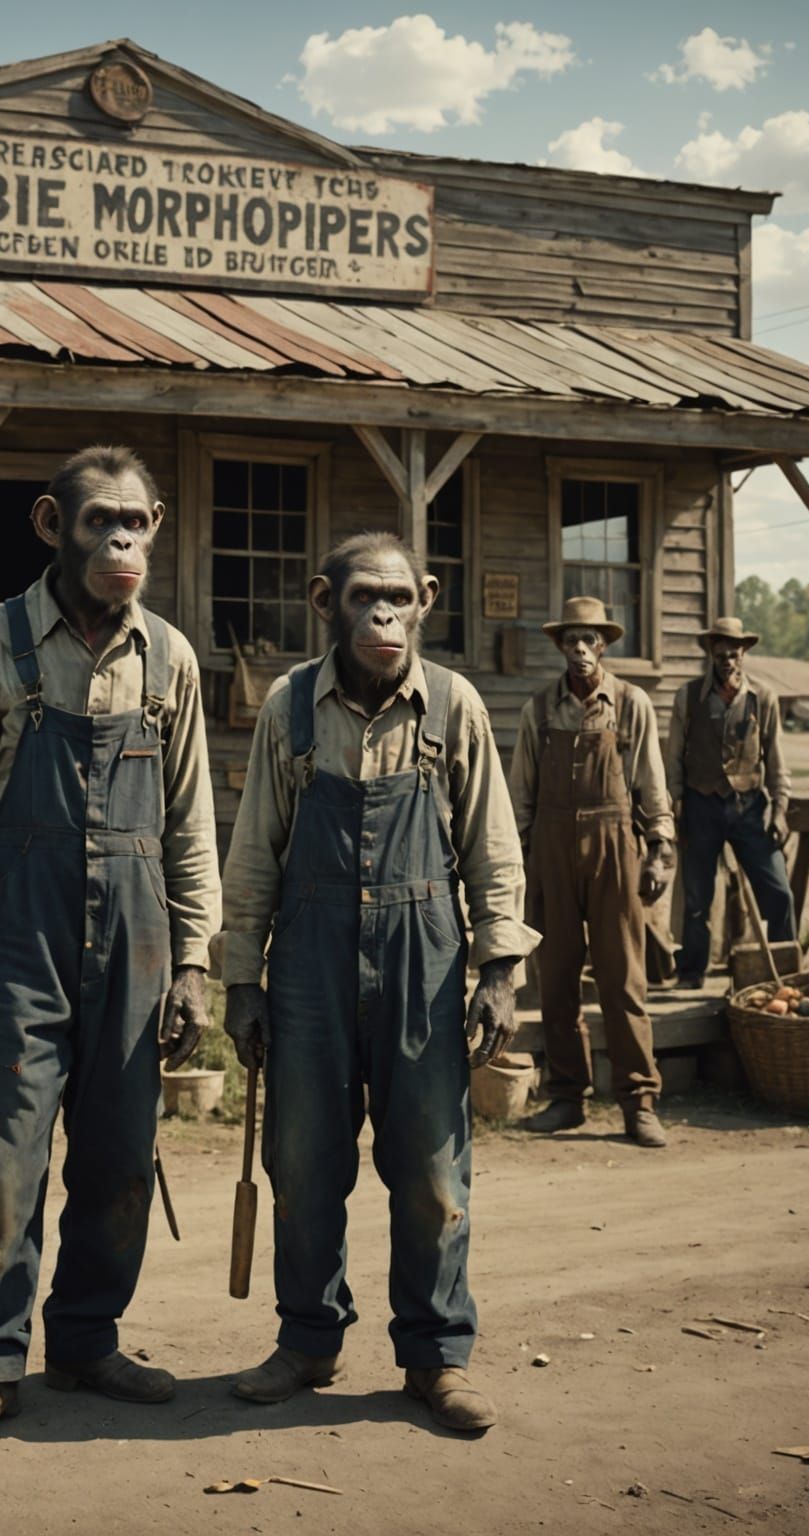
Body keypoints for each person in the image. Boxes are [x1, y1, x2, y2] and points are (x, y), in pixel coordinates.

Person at [0, 446, 220, 1455]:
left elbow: (190, 825)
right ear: (52, 525)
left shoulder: (170, 659)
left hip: (137, 937)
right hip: (17, 934)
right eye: (99, 522)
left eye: (137, 522)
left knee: (121, 1158)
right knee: (7, 1159)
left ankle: (85, 1342)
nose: (121, 540)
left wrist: (195, 959)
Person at [218, 532, 537, 1432]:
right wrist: (242, 981)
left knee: (433, 1172)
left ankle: (436, 1356)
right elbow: (255, 853)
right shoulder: (291, 706)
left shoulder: (454, 704)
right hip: (308, 965)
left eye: (400, 597)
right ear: (326, 603)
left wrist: (499, 970)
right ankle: (309, 1341)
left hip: (423, 960)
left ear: (427, 599)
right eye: (365, 597)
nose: (384, 615)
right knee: (302, 1164)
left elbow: (493, 847)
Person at [509, 596, 678, 1148]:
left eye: (589, 639)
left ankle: (639, 1102)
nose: (580, 648)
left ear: (603, 645)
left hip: (614, 847)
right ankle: (567, 1097)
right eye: (571, 640)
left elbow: (652, 783)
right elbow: (520, 796)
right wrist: (518, 862)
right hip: (551, 852)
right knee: (556, 978)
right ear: (560, 646)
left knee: (623, 978)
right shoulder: (539, 709)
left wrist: (659, 848)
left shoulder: (631, 704)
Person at [667, 616, 794, 990]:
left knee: (778, 892)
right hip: (700, 806)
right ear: (711, 653)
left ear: (743, 654)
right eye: (721, 654)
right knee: (697, 899)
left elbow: (776, 760)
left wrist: (780, 810)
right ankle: (692, 972)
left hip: (749, 808)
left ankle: (785, 971)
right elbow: (673, 757)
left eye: (734, 654)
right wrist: (676, 803)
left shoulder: (763, 698)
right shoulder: (688, 696)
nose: (727, 661)